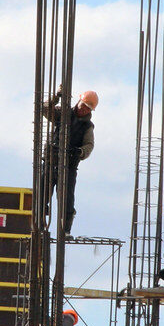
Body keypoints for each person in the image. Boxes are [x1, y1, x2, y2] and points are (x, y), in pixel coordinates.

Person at [42, 87, 97, 234]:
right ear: (79, 101)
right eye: (83, 105)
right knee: (42, 194)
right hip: (51, 161)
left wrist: (80, 152)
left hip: (69, 166)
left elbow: (89, 145)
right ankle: (40, 225)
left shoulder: (87, 126)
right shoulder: (63, 114)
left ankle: (65, 230)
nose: (84, 109)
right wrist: (57, 96)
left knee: (67, 199)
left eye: (88, 108)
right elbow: (45, 109)